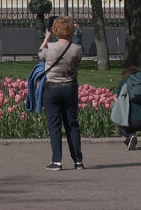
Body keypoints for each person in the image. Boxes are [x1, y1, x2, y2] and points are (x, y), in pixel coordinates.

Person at [39, 15, 84, 171]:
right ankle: (78, 160)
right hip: (70, 88)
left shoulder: (50, 49)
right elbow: (76, 45)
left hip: (52, 89)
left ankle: (57, 161)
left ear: (55, 31)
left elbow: (40, 54)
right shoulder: (77, 49)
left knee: (54, 125)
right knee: (72, 124)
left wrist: (47, 37)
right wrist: (76, 33)